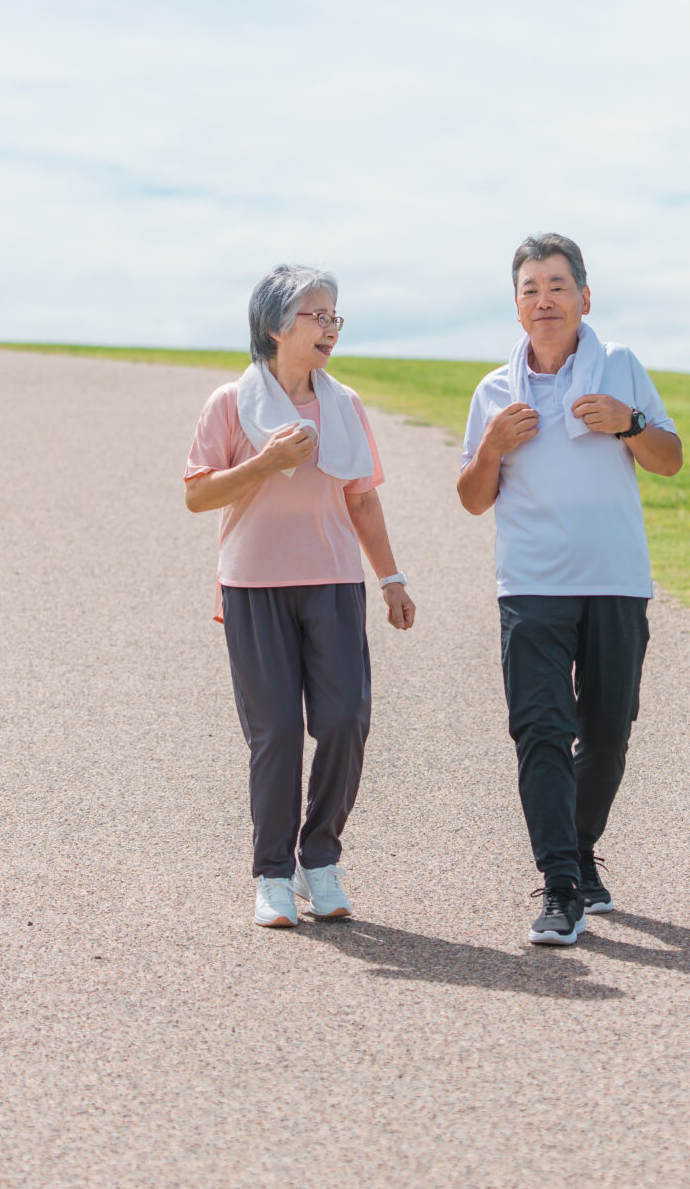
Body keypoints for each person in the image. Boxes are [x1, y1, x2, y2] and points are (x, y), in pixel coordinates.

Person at [457, 233, 683, 945]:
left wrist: (630, 423)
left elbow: (670, 461)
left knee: (608, 736)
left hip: (616, 583)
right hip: (530, 585)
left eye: (558, 285)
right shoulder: (494, 391)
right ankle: (560, 888)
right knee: (542, 732)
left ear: (585, 298)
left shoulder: (620, 367)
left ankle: (580, 851)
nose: (544, 298)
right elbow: (471, 498)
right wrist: (491, 448)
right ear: (517, 305)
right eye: (531, 288)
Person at [185, 264, 416, 928]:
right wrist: (263, 463)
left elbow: (362, 498)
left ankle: (321, 859)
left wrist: (392, 579)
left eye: (335, 316)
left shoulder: (345, 407)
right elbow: (197, 493)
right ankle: (272, 874)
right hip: (254, 585)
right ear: (274, 326)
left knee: (345, 720)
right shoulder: (229, 404)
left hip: (336, 583)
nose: (330, 328)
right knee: (279, 732)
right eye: (318, 315)